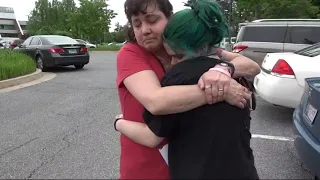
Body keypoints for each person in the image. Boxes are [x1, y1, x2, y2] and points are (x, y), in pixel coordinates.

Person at [116, 0, 260, 179]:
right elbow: (156, 101)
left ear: (171, 19)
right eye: (136, 24)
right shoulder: (131, 53)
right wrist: (221, 89)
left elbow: (251, 65)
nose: (144, 30)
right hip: (147, 169)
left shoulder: (190, 51)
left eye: (152, 21)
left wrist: (223, 70)